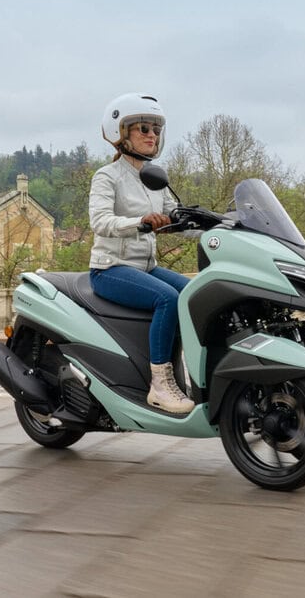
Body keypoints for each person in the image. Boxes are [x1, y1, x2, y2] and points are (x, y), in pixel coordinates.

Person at [89, 93, 194, 414]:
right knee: (168, 298)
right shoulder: (107, 176)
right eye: (144, 129)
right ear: (121, 134)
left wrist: (220, 227)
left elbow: (176, 219)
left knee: (195, 293)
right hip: (110, 268)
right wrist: (141, 222)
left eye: (156, 130)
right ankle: (160, 384)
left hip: (145, 268)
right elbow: (100, 222)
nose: (152, 136)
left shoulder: (154, 178)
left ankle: (185, 373)